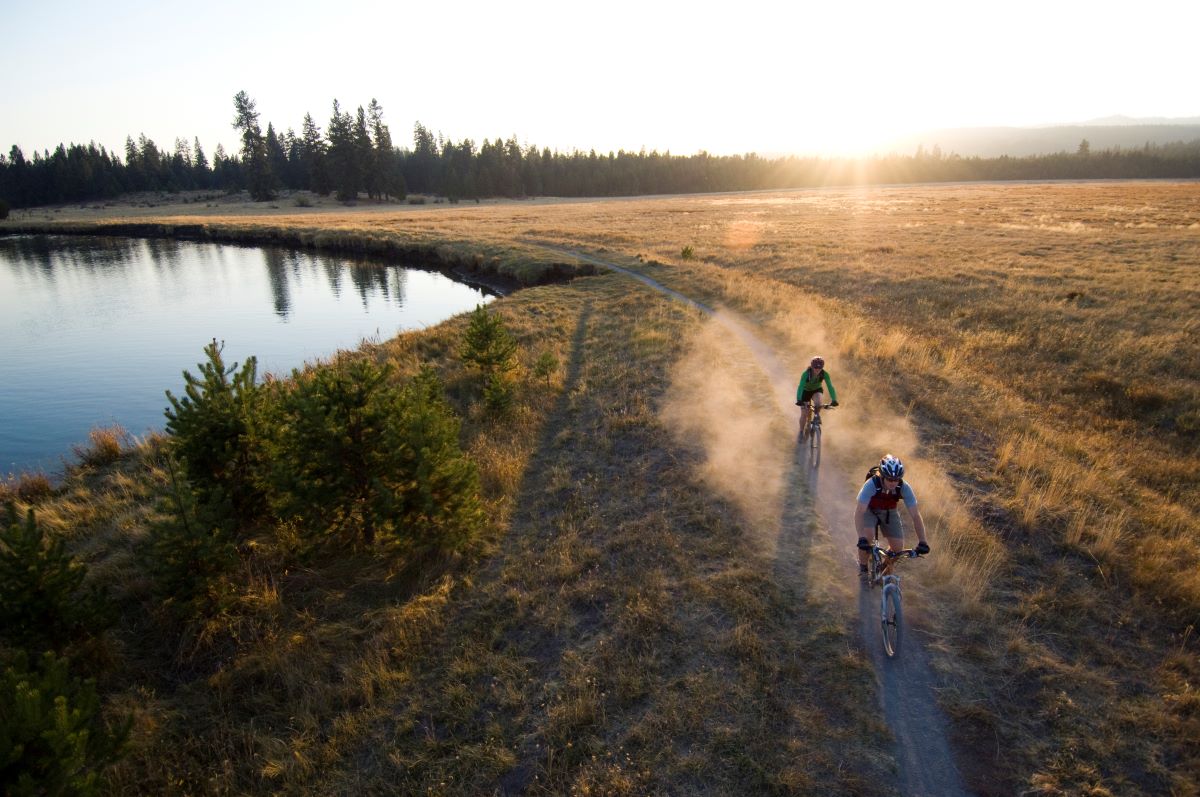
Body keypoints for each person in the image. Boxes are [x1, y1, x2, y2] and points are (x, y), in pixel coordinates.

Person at [855, 454, 930, 573]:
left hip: (889, 512)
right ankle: (863, 567)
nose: (893, 483)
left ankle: (883, 568)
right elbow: (859, 512)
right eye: (890, 479)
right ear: (882, 476)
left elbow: (915, 515)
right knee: (867, 537)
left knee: (897, 549)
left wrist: (923, 541)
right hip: (869, 510)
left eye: (897, 479)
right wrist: (861, 537)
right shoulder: (871, 484)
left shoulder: (904, 487)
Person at [795, 355, 838, 435]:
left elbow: (830, 386)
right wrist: (799, 399)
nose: (817, 370)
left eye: (820, 368)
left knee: (818, 404)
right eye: (815, 368)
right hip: (805, 391)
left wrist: (834, 399)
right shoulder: (806, 374)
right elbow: (800, 387)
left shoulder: (824, 374)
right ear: (811, 366)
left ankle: (816, 418)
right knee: (804, 413)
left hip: (816, 390)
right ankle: (801, 431)